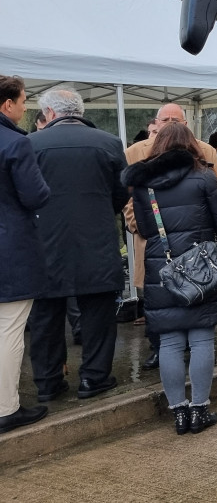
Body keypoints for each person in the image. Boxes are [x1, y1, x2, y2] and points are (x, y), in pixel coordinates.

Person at [123, 123, 217, 435]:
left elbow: (143, 229)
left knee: (170, 341)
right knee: (201, 339)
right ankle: (199, 409)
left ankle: (179, 415)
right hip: (201, 268)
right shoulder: (204, 177)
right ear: (191, 147)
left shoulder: (144, 185)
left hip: (162, 269)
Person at [28, 87, 128, 402]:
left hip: (44, 244)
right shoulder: (110, 143)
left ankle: (48, 382)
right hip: (95, 240)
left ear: (49, 114)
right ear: (80, 112)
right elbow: (121, 194)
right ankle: (94, 378)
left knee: (45, 316)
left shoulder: (30, 144)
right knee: (98, 313)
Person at [123, 103, 217, 370]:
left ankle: (182, 393)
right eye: (164, 118)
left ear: (185, 123)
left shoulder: (207, 152)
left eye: (174, 118)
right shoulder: (134, 153)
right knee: (163, 312)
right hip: (157, 244)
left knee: (190, 314)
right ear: (155, 122)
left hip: (193, 249)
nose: (169, 123)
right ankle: (160, 351)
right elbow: (129, 202)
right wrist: (140, 227)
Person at [0, 75, 52, 434]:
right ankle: (6, 407)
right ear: (7, 105)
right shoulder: (16, 144)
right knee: (9, 329)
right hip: (10, 248)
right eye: (22, 101)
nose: (24, 107)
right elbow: (35, 195)